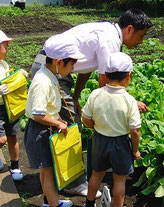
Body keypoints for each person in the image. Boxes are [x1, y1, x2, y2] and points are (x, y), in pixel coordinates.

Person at [30, 9, 153, 197]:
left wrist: (77, 96)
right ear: (129, 29)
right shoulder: (111, 40)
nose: (141, 41)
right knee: (71, 125)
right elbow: (106, 84)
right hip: (53, 66)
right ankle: (73, 182)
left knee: (67, 120)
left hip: (57, 65)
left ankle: (57, 172)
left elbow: (85, 67)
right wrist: (128, 102)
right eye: (141, 35)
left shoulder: (107, 32)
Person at [24, 35, 83, 207]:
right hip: (41, 131)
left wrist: (57, 117)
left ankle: (49, 203)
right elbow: (39, 114)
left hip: (42, 129)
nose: (72, 69)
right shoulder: (43, 81)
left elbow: (47, 107)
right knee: (48, 173)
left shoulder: (48, 74)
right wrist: (58, 123)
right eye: (71, 65)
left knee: (45, 172)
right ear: (59, 62)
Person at [81, 52, 141, 207]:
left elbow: (85, 118)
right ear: (128, 76)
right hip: (121, 143)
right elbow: (135, 131)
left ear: (106, 76)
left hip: (99, 139)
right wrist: (135, 150)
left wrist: (97, 128)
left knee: (95, 175)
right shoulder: (129, 101)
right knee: (119, 180)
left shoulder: (96, 94)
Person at [0, 30, 27, 181]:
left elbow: (9, 79)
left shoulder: (3, 64)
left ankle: (15, 165)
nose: (8, 47)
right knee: (1, 139)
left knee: (12, 135)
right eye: (5, 45)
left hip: (10, 107)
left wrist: (18, 74)